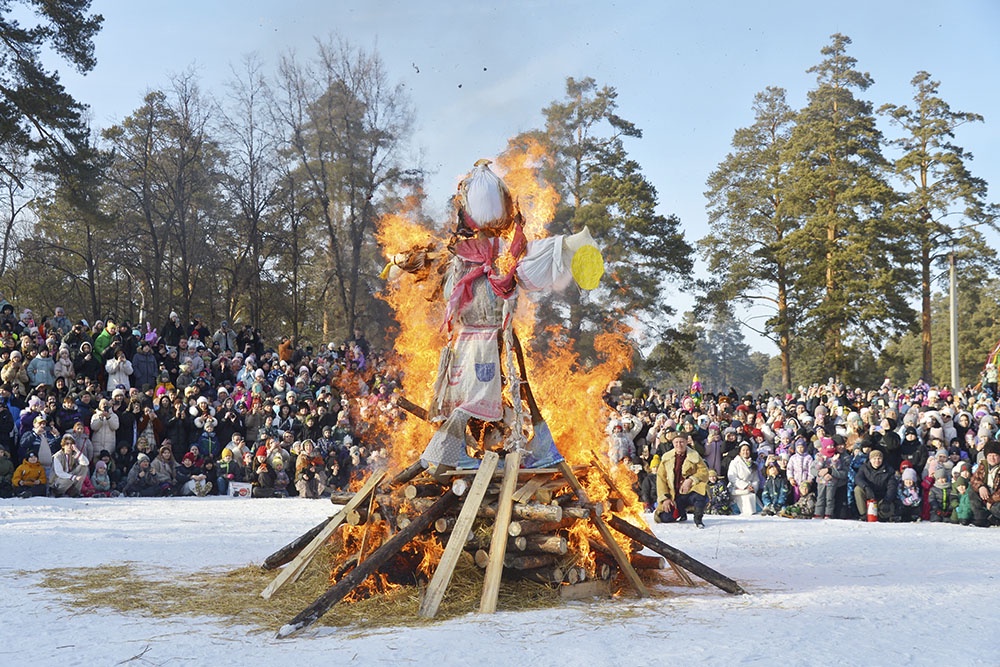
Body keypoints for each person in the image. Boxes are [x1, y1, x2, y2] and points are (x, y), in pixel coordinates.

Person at [654, 432, 709, 528]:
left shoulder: (694, 456)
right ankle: (681, 512)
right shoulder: (666, 458)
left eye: (682, 442)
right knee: (665, 517)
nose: (679, 445)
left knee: (701, 493)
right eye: (676, 442)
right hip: (674, 495)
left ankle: (698, 519)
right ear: (673, 443)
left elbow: (704, 472)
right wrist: (665, 498)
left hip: (690, 492)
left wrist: (691, 480)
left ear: (686, 442)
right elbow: (661, 479)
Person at [853, 447, 897, 522]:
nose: (877, 461)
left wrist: (887, 500)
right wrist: (866, 487)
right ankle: (863, 514)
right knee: (857, 489)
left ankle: (881, 515)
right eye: (874, 458)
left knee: (887, 511)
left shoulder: (889, 470)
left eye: (879, 458)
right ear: (870, 459)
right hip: (869, 494)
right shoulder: (864, 468)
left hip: (882, 496)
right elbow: (858, 478)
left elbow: (892, 486)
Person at [969, 440, 1000, 527]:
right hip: (986, 492)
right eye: (990, 455)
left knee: (996, 509)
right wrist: (980, 486)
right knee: (971, 490)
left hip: (997, 498)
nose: (992, 458)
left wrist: (991, 500)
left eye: (995, 455)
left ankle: (996, 518)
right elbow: (974, 479)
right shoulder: (983, 465)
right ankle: (980, 517)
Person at [727, 441, 760, 515]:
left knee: (751, 496)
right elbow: (732, 477)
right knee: (746, 497)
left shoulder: (753, 464)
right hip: (737, 487)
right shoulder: (734, 463)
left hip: (750, 488)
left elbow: (756, 479)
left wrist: (753, 487)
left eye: (747, 450)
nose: (746, 452)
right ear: (739, 452)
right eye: (743, 450)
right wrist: (745, 486)